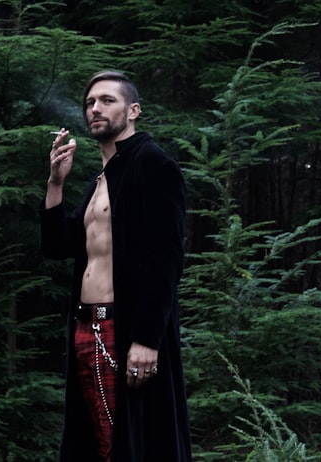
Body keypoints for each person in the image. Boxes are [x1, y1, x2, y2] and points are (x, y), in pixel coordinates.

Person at [40, 70, 192, 461]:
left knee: (132, 445)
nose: (96, 109)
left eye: (107, 100)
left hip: (125, 330)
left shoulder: (153, 165)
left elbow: (166, 258)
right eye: (90, 102)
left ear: (134, 110)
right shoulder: (100, 181)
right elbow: (59, 246)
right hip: (86, 326)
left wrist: (146, 338)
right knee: (96, 445)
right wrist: (56, 183)